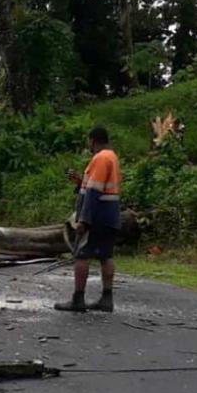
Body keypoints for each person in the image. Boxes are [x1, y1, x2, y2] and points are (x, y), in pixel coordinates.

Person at [55, 126, 122, 313]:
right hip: (111, 214)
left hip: (97, 215)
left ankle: (78, 298)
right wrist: (79, 182)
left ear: (92, 140)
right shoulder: (112, 157)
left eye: (88, 141)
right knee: (106, 255)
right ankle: (107, 298)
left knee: (82, 254)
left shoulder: (100, 158)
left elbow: (93, 192)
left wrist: (84, 220)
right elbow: (97, 186)